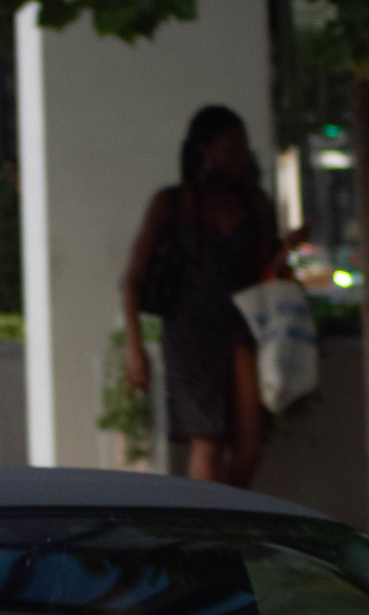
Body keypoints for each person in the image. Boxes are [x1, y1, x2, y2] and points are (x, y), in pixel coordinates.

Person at [121, 106, 293, 489]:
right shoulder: (173, 202)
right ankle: (212, 529)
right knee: (208, 440)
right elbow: (133, 277)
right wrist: (134, 346)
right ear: (204, 150)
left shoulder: (254, 203)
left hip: (241, 323)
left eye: (244, 149)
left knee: (249, 441)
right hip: (189, 326)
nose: (242, 158)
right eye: (231, 149)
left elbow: (261, 271)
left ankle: (226, 521)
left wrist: (286, 254)